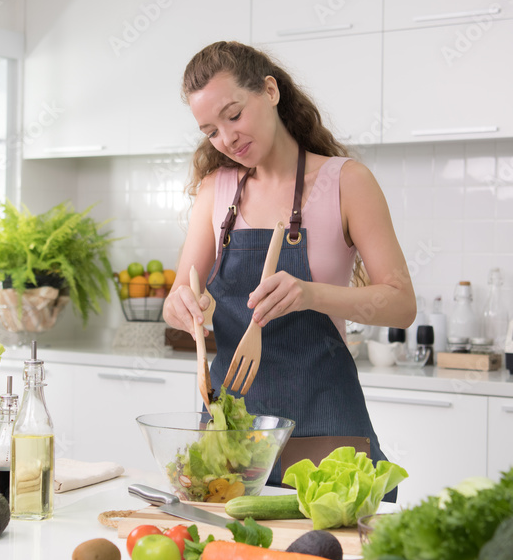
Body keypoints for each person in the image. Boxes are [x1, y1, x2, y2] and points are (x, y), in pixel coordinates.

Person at [162, 41, 416, 497]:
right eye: (211, 130)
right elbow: (178, 296)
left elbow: (401, 304)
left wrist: (310, 294)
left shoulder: (347, 182)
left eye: (234, 115)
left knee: (328, 557)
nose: (227, 139)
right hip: (231, 435)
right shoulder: (215, 191)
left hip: (325, 427)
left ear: (270, 91)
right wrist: (182, 305)